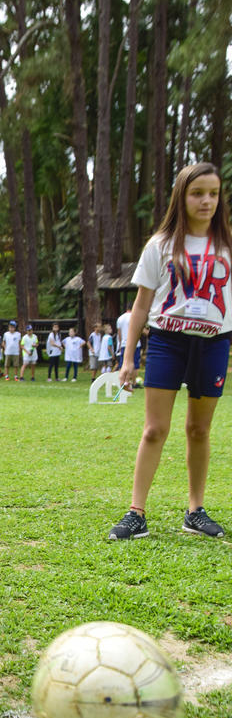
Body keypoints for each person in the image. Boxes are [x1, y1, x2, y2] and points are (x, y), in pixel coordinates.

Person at [109, 162, 232, 542]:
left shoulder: (227, 245)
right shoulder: (160, 245)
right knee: (154, 430)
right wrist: (128, 359)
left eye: (213, 193)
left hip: (213, 344)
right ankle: (136, 513)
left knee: (199, 429)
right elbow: (141, 308)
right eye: (197, 193)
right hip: (167, 342)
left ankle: (195, 511)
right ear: (182, 197)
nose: (206, 201)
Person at [116, 302, 142, 383]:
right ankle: (134, 382)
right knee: (135, 363)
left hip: (124, 343)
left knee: (122, 363)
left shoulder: (120, 318)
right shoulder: (134, 317)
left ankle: (121, 381)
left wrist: (120, 343)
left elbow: (119, 333)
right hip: (135, 344)